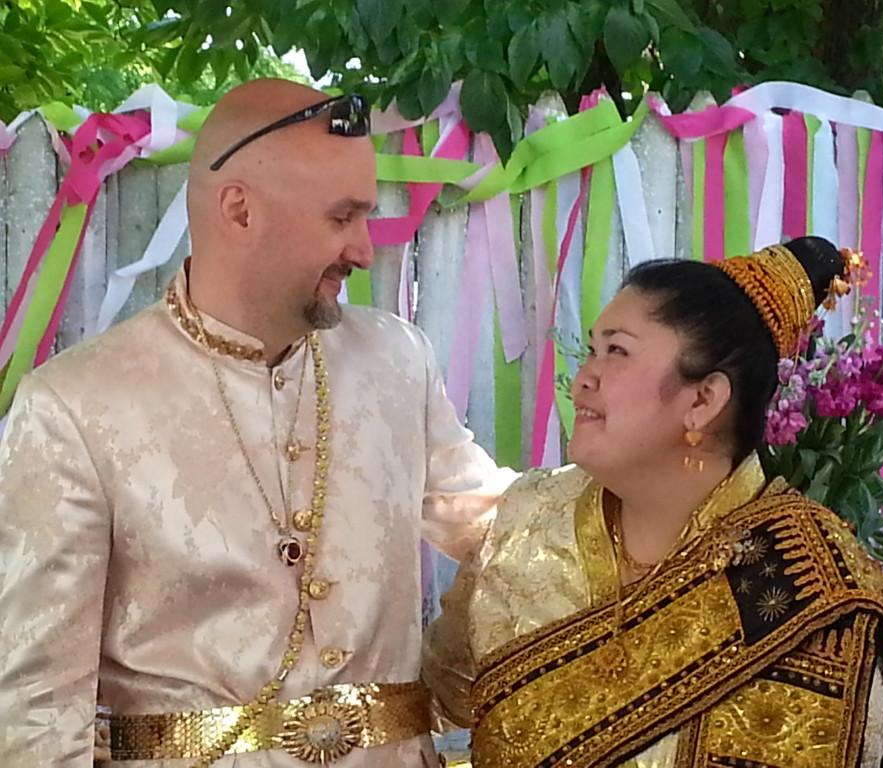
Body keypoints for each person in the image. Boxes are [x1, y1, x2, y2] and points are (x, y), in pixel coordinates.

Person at [0, 78, 514, 767]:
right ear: (239, 211)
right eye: (342, 217)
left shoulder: (397, 360)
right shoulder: (75, 406)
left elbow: (502, 529)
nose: (365, 249)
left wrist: (670, 494)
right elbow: (36, 715)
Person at [423, 237, 883, 768]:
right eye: (592, 349)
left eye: (618, 351)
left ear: (703, 401)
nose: (584, 378)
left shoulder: (804, 583)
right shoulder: (526, 519)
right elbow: (443, 693)